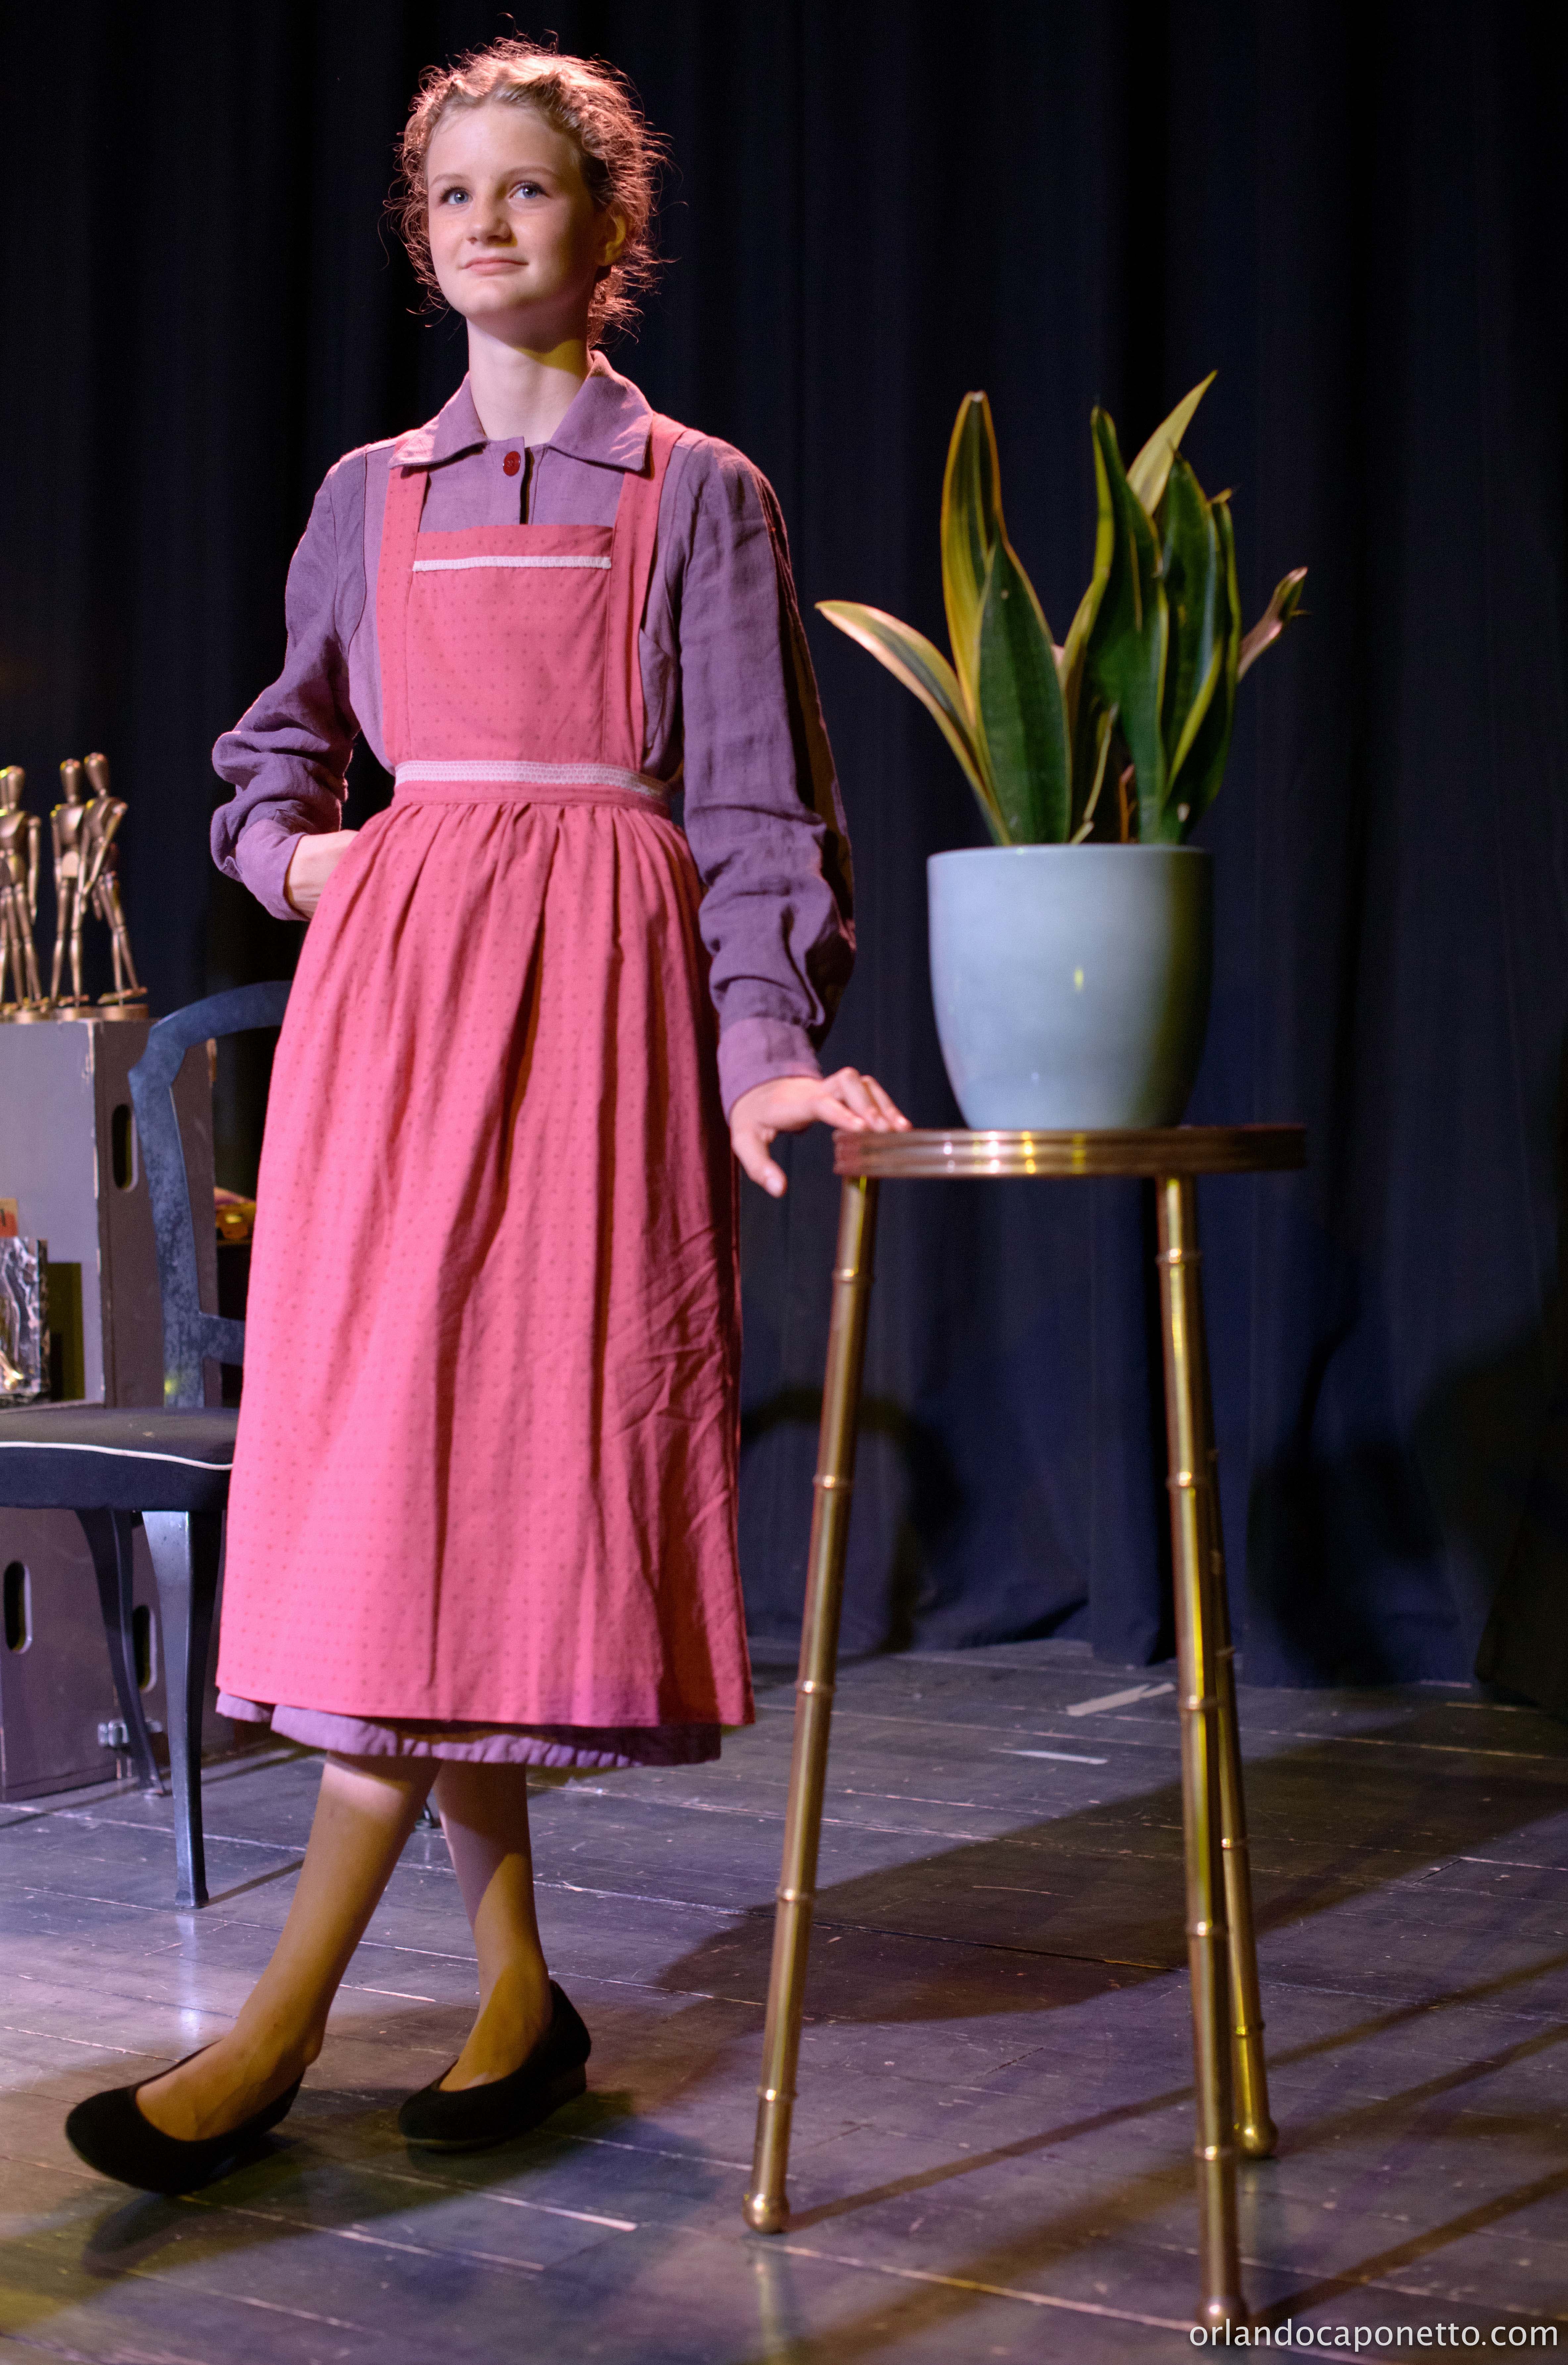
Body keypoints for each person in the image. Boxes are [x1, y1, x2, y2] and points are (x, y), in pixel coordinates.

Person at [66, 36, 906, 2195]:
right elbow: (269, 760)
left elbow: (760, 813)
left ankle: (277, 2028)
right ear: (418, 233)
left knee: (498, 1480)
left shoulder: (698, 494)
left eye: (532, 187)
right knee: (395, 1487)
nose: (488, 223)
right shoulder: (373, 494)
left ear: (613, 227)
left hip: (596, 1022)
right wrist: (312, 866)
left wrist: (760, 1049)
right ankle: (519, 1993)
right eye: (454, 193)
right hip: (391, 1025)